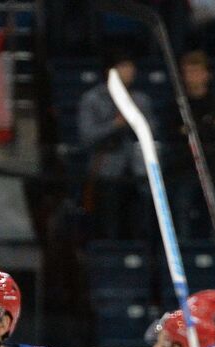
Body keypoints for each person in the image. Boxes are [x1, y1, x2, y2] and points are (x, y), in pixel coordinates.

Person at [77, 52, 153, 240]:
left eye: (130, 66)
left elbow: (153, 132)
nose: (129, 71)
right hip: (106, 171)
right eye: (123, 66)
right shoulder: (93, 99)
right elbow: (86, 137)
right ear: (110, 71)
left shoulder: (140, 100)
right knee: (108, 224)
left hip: (137, 171)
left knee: (140, 223)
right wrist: (115, 125)